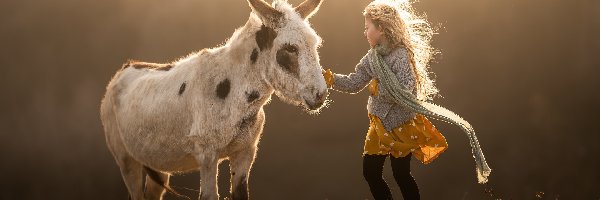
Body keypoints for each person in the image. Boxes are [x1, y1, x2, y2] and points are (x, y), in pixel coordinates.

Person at [322, 1, 491, 199]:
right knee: (370, 173)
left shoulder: (401, 55)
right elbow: (353, 82)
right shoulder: (372, 57)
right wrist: (330, 79)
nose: (364, 32)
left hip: (400, 125)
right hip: (378, 126)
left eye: (367, 28)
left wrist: (378, 89)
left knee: (401, 174)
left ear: (382, 28)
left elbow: (404, 88)